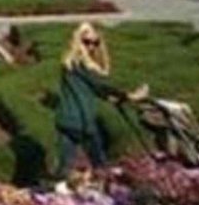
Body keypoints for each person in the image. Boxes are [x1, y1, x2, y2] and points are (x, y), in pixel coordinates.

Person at [53, 22, 147, 186]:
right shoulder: (80, 63)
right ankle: (110, 194)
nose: (91, 46)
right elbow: (99, 85)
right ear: (78, 41)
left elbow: (93, 88)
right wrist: (129, 96)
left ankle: (54, 196)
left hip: (65, 120)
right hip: (82, 120)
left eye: (95, 42)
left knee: (65, 166)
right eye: (87, 42)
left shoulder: (69, 62)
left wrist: (114, 98)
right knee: (100, 164)